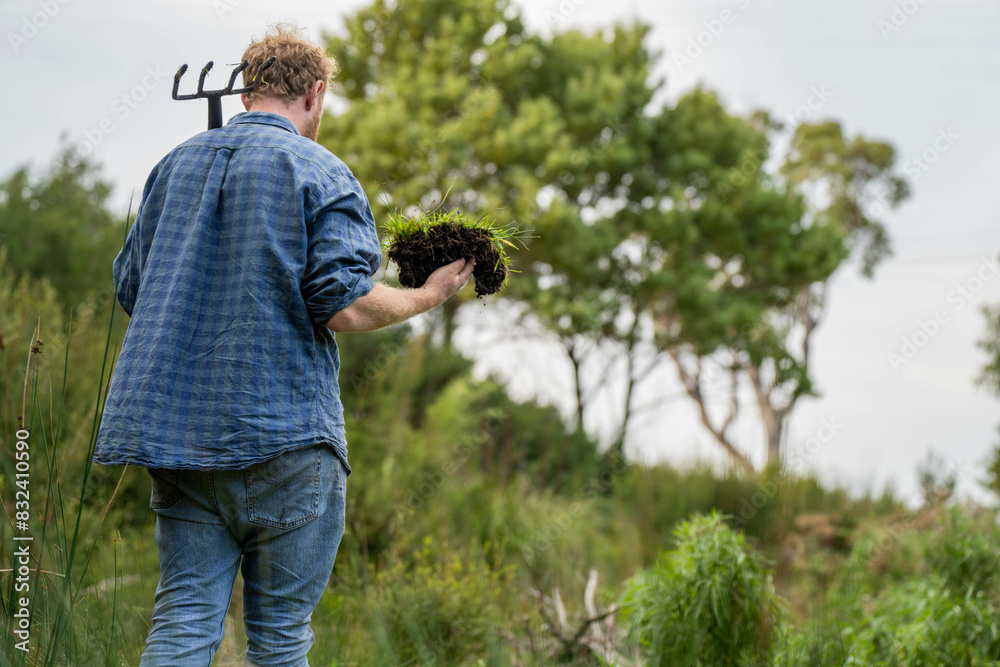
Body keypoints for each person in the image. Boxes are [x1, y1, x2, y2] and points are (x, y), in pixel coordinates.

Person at [93, 23, 474, 666]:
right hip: (287, 438)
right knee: (279, 642)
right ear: (315, 95)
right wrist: (426, 297)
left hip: (181, 442)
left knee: (184, 617)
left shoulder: (173, 165)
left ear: (246, 95)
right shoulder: (320, 168)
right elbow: (346, 304)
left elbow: (132, 288)